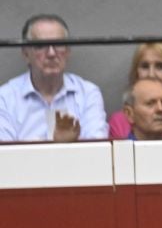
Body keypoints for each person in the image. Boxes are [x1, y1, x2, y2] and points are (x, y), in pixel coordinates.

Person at [0, 14, 108, 143]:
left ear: (68, 51)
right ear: (26, 53)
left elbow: (98, 148)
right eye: (41, 45)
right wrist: (61, 144)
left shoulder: (88, 93)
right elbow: (5, 152)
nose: (51, 53)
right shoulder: (5, 98)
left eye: (59, 44)